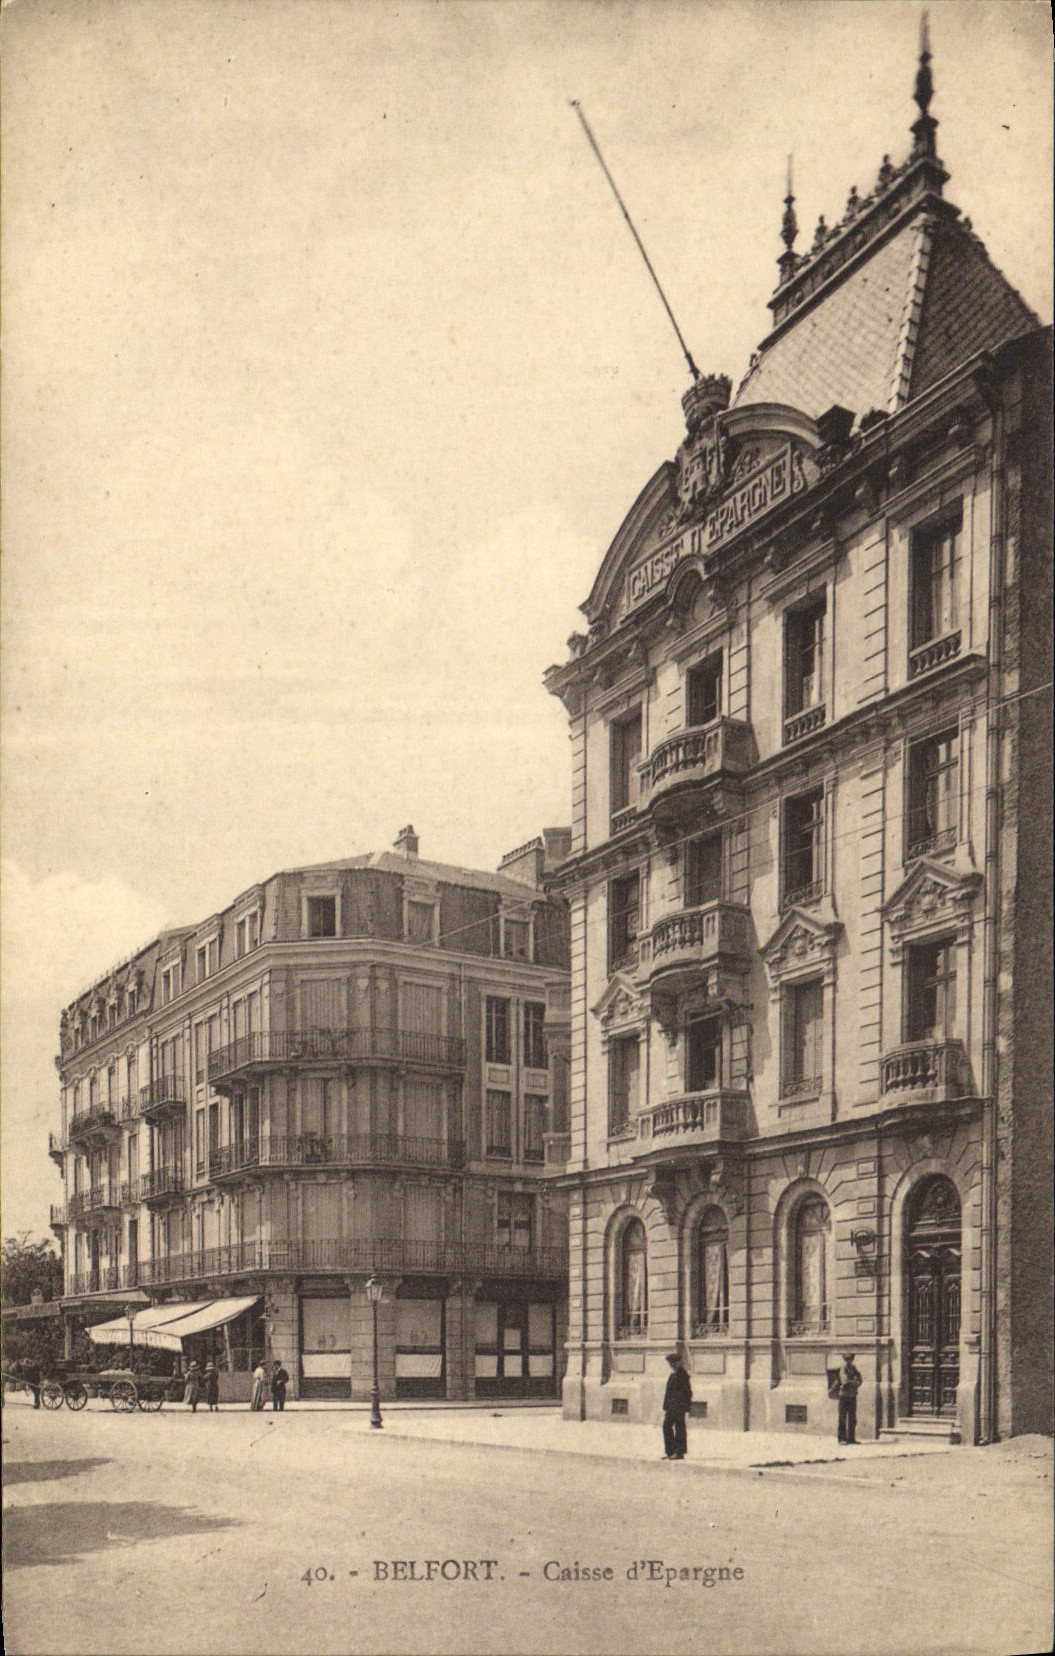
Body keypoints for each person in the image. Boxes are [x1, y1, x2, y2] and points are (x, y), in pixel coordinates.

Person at [662, 1351, 692, 1460]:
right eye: (671, 1363)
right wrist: (666, 1406)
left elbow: (687, 1392)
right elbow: (668, 1392)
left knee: (679, 1428)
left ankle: (679, 1452)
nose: (672, 1365)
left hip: (678, 1407)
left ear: (679, 1362)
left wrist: (685, 1406)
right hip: (671, 1407)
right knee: (667, 1426)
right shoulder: (673, 1375)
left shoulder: (682, 1376)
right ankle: (670, 1452)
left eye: (674, 1362)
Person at [836, 1351, 863, 1444]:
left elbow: (860, 1379)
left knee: (852, 1418)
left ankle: (851, 1438)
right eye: (847, 1359)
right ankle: (841, 1439)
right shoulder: (843, 1368)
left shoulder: (853, 1368)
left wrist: (855, 1382)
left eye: (850, 1359)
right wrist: (854, 1382)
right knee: (842, 1418)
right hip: (844, 1396)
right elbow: (845, 1381)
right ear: (845, 1360)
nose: (849, 1361)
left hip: (852, 1395)